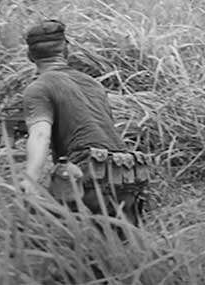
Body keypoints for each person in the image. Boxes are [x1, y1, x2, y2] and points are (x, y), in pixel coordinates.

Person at [19, 20, 149, 226]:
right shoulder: (93, 84)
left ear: (30, 56)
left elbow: (40, 135)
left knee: (48, 237)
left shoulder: (38, 88)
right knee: (124, 250)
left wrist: (30, 178)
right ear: (66, 50)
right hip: (127, 175)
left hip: (87, 178)